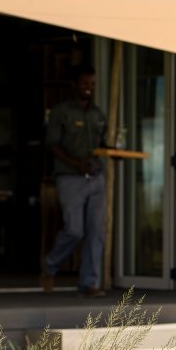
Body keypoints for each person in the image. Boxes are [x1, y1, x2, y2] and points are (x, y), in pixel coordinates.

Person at [40, 64, 107, 298]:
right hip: (70, 178)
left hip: (96, 177)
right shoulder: (61, 112)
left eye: (92, 83)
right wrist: (76, 163)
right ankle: (50, 266)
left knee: (96, 232)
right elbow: (53, 145)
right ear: (73, 85)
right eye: (84, 83)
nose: (89, 88)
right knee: (75, 230)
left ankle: (89, 283)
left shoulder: (98, 113)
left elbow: (104, 144)